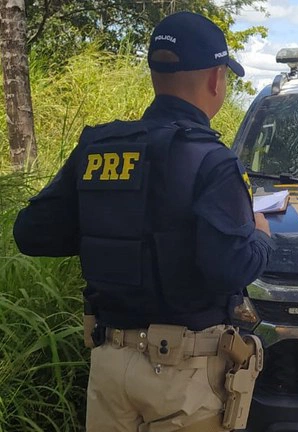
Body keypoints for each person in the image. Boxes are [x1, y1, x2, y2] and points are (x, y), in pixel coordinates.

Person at [13, 11, 275, 432]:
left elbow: (31, 233)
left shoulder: (99, 147)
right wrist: (261, 236)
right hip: (185, 376)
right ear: (215, 79)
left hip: (110, 367)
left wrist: (112, 220)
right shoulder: (212, 160)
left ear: (156, 74)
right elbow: (230, 268)